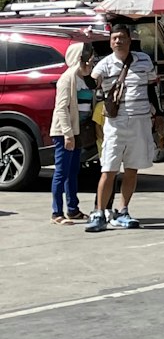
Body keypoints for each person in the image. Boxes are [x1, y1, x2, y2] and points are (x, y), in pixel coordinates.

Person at [85, 24, 163, 232]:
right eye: (114, 38)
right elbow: (93, 83)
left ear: (130, 39)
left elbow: (151, 89)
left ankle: (122, 210)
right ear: (110, 42)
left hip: (140, 122)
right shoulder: (104, 64)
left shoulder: (144, 61)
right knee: (108, 169)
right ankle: (99, 212)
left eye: (122, 37)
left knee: (132, 169)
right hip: (115, 124)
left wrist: (160, 115)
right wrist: (85, 73)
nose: (118, 41)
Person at [49, 42, 96, 224]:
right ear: (80, 58)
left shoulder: (85, 78)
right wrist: (68, 134)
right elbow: (61, 109)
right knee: (61, 171)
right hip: (64, 132)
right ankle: (56, 212)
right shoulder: (67, 79)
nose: (92, 60)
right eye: (89, 56)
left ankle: (73, 209)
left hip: (79, 131)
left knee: (73, 171)